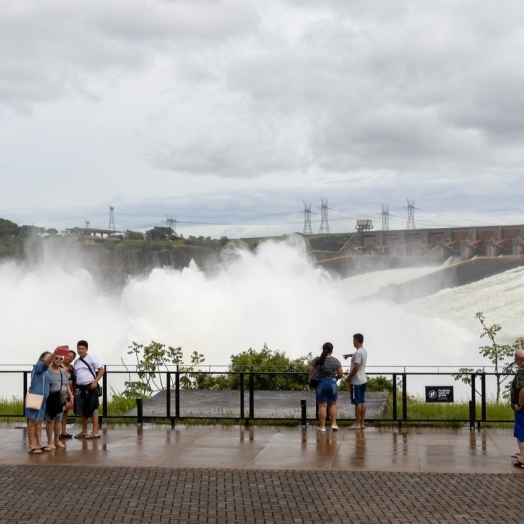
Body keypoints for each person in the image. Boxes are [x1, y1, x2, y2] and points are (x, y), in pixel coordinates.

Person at [25, 349, 56, 453]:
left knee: (39, 422)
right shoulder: (39, 366)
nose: (50, 359)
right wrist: (55, 353)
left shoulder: (46, 371)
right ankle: (31, 445)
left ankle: (39, 443)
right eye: (48, 357)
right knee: (32, 421)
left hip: (42, 400)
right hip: (35, 398)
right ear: (42, 358)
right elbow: (47, 363)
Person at [73, 340, 104, 439]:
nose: (81, 350)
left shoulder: (92, 358)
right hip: (80, 388)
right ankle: (84, 431)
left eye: (83, 349)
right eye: (79, 349)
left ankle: (95, 432)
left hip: (91, 387)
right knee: (83, 410)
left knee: (93, 409)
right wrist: (74, 389)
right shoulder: (76, 362)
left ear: (86, 349)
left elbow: (101, 370)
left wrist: (95, 381)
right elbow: (76, 377)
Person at [309, 342, 343, 432]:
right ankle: (334, 424)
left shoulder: (317, 360)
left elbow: (311, 372)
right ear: (331, 351)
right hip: (332, 384)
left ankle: (322, 426)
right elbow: (340, 374)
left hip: (321, 384)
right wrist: (335, 378)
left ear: (323, 349)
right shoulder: (335, 361)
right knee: (332, 404)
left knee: (322, 406)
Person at [44, 353, 73, 449]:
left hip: (61, 397)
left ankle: (57, 440)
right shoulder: (47, 370)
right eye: (56, 358)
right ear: (52, 359)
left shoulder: (63, 371)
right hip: (50, 398)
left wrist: (71, 395)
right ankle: (50, 442)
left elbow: (66, 384)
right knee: (50, 420)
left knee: (58, 420)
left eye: (61, 358)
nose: (58, 360)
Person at [343, 333, 368, 430]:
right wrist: (349, 355)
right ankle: (362, 423)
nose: (353, 341)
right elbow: (357, 356)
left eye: (353, 340)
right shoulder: (363, 351)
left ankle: (357, 423)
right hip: (363, 380)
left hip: (356, 381)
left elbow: (356, 367)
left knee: (357, 403)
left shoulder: (357, 353)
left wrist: (349, 377)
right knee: (362, 401)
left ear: (357, 340)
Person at [511, 349, 524, 467]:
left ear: (516, 361)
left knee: (521, 432)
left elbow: (523, 390)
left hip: (523, 409)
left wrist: (519, 405)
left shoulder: (521, 371)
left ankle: (523, 459)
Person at [60, 349, 76, 439]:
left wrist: (73, 392)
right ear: (64, 355)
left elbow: (74, 380)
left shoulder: (71, 367)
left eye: (71, 358)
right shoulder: (58, 365)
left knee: (65, 411)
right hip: (60, 391)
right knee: (59, 412)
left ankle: (64, 431)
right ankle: (57, 432)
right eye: (68, 356)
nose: (69, 358)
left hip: (69, 391)